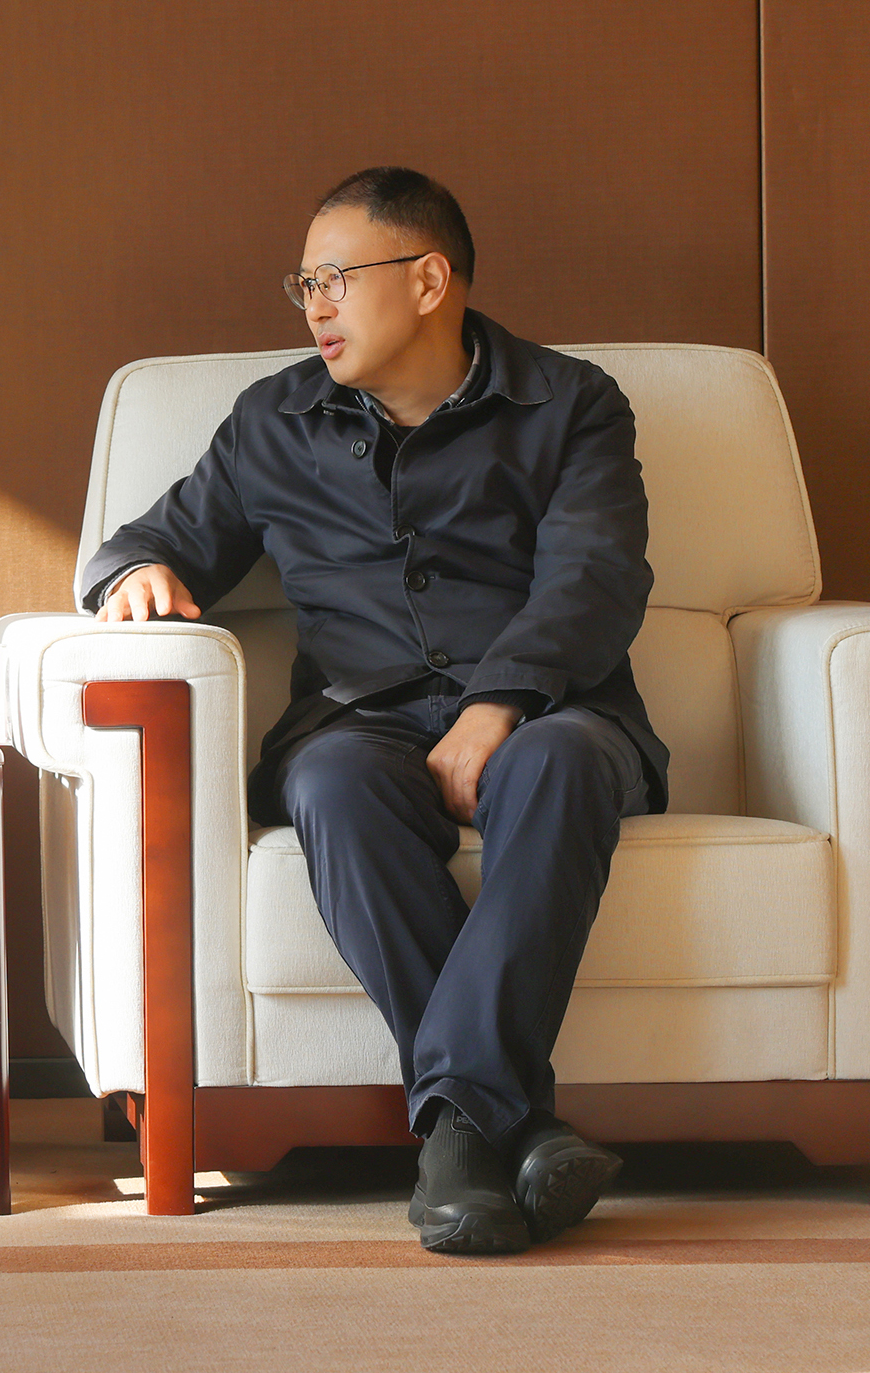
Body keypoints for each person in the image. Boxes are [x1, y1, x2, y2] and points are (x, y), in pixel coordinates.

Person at [84, 166, 665, 1256]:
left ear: (429, 280)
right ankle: (511, 1127)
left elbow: (594, 578)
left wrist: (496, 705)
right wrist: (134, 573)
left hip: (548, 711)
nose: (314, 305)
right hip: (358, 726)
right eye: (303, 283)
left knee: (561, 763)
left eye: (336, 278)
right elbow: (154, 539)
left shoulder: (571, 404)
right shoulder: (273, 420)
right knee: (331, 782)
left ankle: (455, 1137)